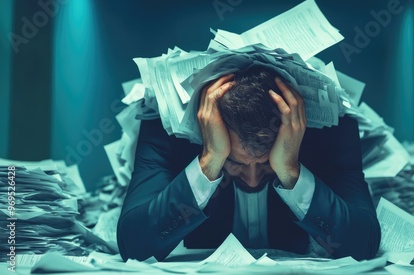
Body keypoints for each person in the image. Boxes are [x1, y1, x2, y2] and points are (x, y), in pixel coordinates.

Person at [117, 65, 381, 262]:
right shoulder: (168, 131)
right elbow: (135, 246)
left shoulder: (330, 131)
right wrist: (210, 160)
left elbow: (362, 248)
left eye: (267, 164)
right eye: (235, 163)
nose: (253, 180)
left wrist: (290, 170)